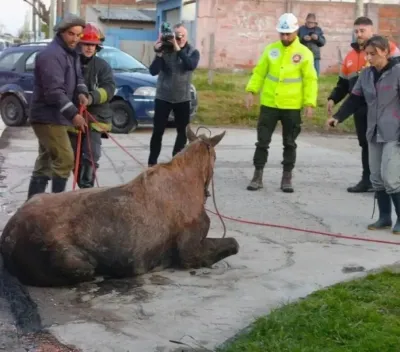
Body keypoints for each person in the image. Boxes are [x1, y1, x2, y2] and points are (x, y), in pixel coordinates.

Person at [326, 35, 400, 234]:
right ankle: (384, 217)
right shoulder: (365, 75)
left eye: (372, 54)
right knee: (376, 177)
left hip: (395, 133)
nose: (368, 58)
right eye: (366, 54)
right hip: (373, 132)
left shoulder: (398, 72)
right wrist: (338, 117)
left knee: (391, 177)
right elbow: (355, 99)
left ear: (384, 52)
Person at [245, 13, 318, 193]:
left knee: (290, 143)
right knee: (262, 142)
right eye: (282, 34)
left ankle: (287, 177)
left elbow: (310, 80)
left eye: (288, 34)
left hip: (292, 107)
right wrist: (251, 90)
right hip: (269, 104)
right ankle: (257, 175)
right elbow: (260, 72)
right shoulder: (271, 50)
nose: (285, 37)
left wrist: (309, 103)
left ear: (295, 32)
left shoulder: (305, 53)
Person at [26, 14, 89, 200]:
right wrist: (73, 115)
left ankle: (33, 207)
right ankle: (55, 209)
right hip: (46, 116)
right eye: (71, 34)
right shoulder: (51, 55)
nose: (75, 39)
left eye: (79, 35)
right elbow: (53, 92)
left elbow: (79, 78)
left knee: (46, 160)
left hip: (55, 116)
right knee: (65, 159)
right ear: (61, 32)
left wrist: (82, 92)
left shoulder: (72, 52)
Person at [67, 23, 116, 188]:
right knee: (74, 158)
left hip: (96, 118)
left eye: (93, 45)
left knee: (92, 155)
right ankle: (82, 186)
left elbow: (109, 89)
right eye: (87, 44)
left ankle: (86, 188)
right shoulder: (70, 64)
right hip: (74, 117)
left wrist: (91, 98)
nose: (90, 48)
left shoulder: (102, 66)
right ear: (80, 44)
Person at [147, 23, 200, 167]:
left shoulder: (193, 51)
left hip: (182, 98)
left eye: (182, 36)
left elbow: (190, 65)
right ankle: (152, 164)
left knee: (182, 132)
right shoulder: (165, 50)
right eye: (177, 36)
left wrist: (178, 49)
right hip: (163, 96)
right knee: (158, 131)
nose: (180, 38)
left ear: (186, 37)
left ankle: (175, 163)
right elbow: (153, 71)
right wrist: (158, 53)